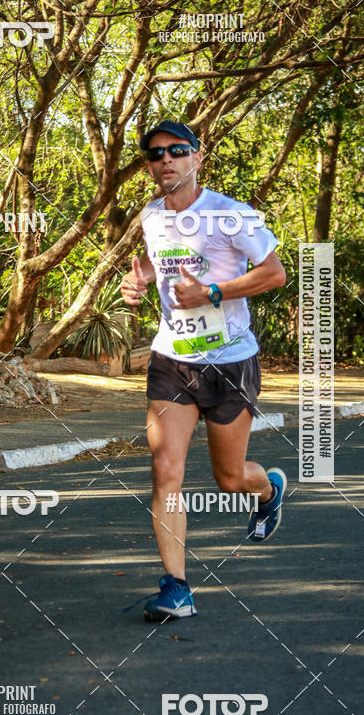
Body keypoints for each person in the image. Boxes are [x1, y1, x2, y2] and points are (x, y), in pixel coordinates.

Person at [120, 120, 287, 622]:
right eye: (155, 154)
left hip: (232, 363)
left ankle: (269, 488)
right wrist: (140, 284)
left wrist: (213, 292)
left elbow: (275, 273)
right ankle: (177, 587)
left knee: (230, 479)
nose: (165, 160)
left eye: (177, 151)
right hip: (173, 360)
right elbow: (156, 266)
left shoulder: (231, 214)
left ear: (197, 156)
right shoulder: (151, 216)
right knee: (165, 470)